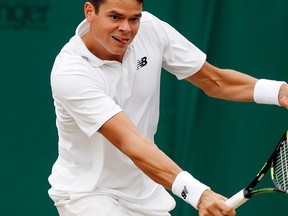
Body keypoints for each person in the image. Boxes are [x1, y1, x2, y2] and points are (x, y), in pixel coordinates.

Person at [48, 0, 288, 215]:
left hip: (145, 194)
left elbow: (216, 81)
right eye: (115, 17)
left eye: (134, 18)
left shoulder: (151, 30)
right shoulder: (71, 72)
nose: (126, 28)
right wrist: (200, 195)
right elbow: (131, 143)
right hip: (89, 195)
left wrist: (280, 92)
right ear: (90, 12)